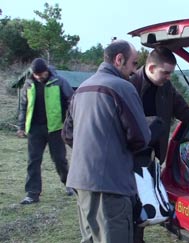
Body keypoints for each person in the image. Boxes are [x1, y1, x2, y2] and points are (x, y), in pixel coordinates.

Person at [62, 40, 151, 243]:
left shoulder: (82, 88)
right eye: (134, 63)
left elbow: (67, 134)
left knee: (91, 238)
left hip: (80, 180)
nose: (134, 70)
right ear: (119, 60)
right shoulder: (122, 88)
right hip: (111, 185)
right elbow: (140, 138)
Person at [129, 47, 189, 243]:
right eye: (166, 73)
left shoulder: (166, 88)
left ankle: (137, 238)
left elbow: (184, 111)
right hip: (128, 156)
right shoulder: (130, 85)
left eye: (171, 73)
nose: (169, 77)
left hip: (150, 156)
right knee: (129, 204)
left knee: (144, 201)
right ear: (151, 67)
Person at [17, 57, 74, 205]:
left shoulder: (60, 82)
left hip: (56, 128)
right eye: (36, 74)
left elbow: (72, 102)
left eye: (41, 74)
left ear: (46, 71)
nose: (39, 77)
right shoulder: (28, 85)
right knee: (33, 161)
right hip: (34, 129)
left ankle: (70, 185)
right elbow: (23, 106)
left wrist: (71, 123)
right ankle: (32, 193)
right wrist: (21, 126)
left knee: (60, 160)